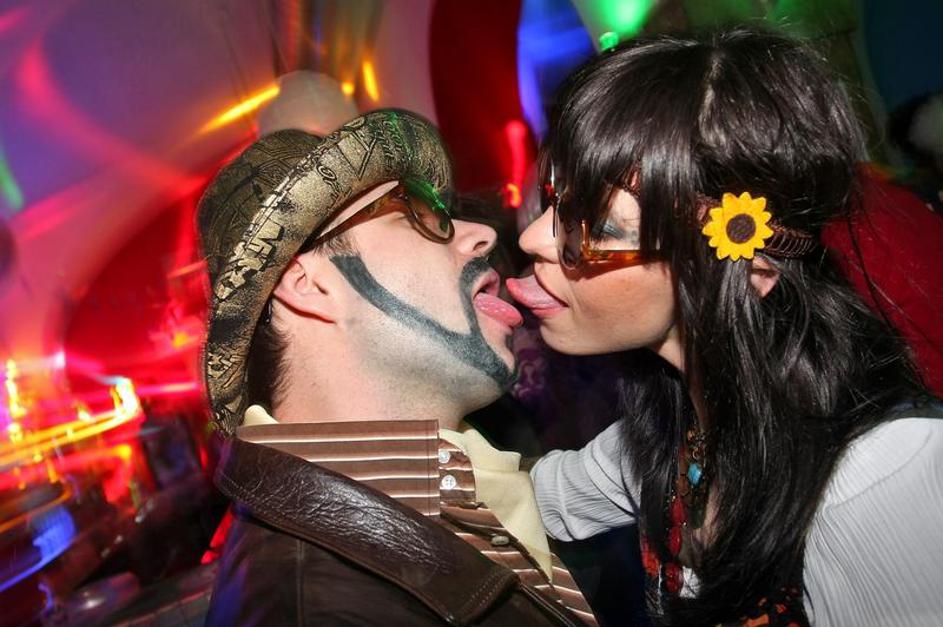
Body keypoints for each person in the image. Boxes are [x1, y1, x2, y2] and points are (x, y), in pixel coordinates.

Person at [506, 29, 943, 626]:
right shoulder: (675, 431)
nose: (534, 237)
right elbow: (530, 498)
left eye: (601, 227)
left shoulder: (875, 476)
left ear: (750, 268)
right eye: (556, 199)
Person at [197, 109, 596, 625]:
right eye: (417, 212)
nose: (482, 234)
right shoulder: (314, 611)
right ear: (309, 285)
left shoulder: (456, 485)